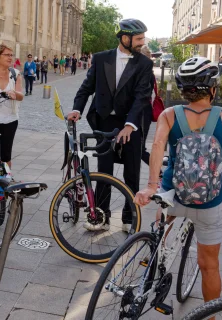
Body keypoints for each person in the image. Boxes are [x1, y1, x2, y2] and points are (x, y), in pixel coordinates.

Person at [135, 57, 222, 305]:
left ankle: (158, 255)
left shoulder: (170, 114)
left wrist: (150, 186)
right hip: (210, 203)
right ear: (212, 88)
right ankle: (208, 315)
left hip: (174, 196)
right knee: (209, 266)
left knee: (163, 219)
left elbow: (157, 146)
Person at [66, 18, 152, 232]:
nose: (143, 42)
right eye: (139, 38)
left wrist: (130, 125)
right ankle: (101, 217)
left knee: (131, 172)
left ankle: (128, 217)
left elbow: (142, 97)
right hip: (105, 121)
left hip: (131, 123)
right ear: (125, 38)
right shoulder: (101, 58)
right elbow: (87, 87)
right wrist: (77, 108)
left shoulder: (144, 64)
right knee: (104, 171)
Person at [140, 45, 157, 165]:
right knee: (138, 148)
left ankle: (159, 172)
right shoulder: (148, 73)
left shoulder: (145, 74)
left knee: (140, 149)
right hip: (144, 112)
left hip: (143, 113)